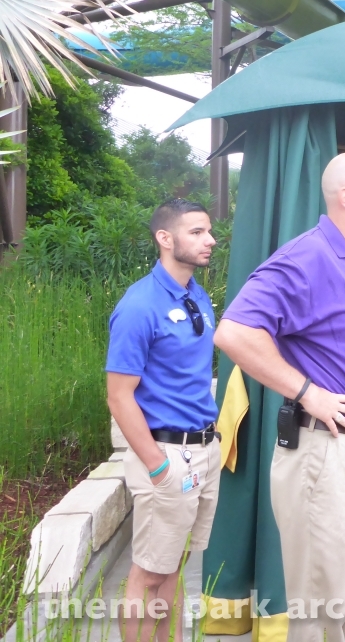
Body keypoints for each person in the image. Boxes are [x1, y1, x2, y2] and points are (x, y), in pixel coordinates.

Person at [214, 152, 345, 642]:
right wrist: (306, 392)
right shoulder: (307, 258)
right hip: (326, 452)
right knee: (317, 605)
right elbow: (233, 332)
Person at [106, 199, 221, 642]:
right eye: (196, 232)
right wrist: (158, 466)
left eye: (208, 231)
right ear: (165, 238)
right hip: (168, 456)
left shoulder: (194, 293)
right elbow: (119, 397)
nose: (209, 240)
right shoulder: (139, 306)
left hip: (202, 452)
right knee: (150, 574)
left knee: (174, 565)